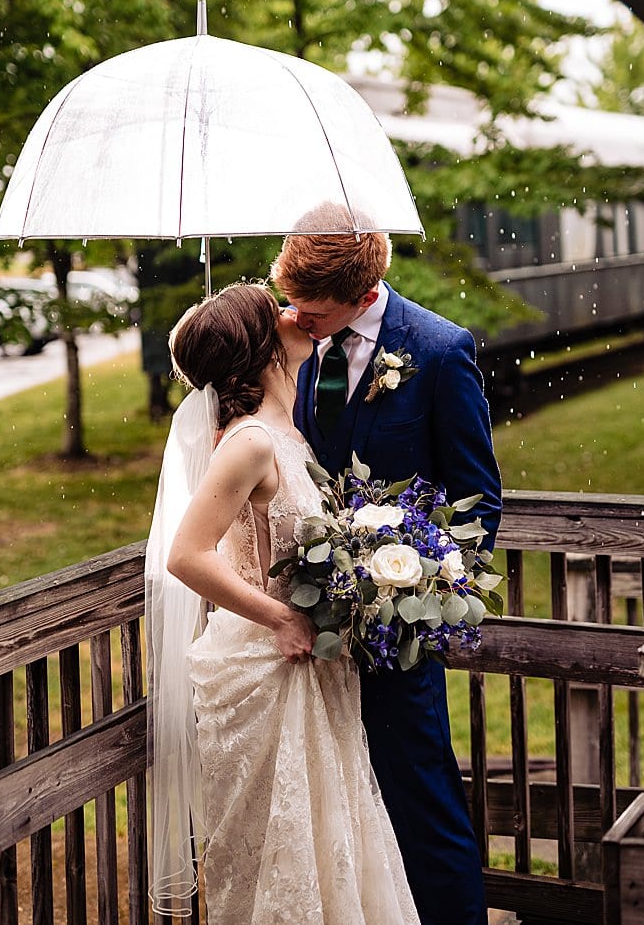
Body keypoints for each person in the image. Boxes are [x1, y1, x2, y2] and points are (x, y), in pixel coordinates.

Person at [145, 282, 420, 922]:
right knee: (279, 857)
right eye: (277, 311)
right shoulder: (250, 442)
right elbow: (186, 554)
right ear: (262, 346)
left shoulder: (286, 432)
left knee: (331, 841)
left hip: (312, 666)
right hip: (267, 668)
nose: (293, 313)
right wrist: (281, 618)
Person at [277, 212, 502, 925]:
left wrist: (427, 597)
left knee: (418, 795)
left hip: (394, 632)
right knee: (340, 802)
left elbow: (477, 498)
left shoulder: (438, 351)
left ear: (361, 293)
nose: (296, 317)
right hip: (305, 632)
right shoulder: (296, 346)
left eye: (311, 309)